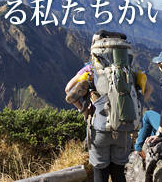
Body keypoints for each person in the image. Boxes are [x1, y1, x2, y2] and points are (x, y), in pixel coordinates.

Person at [64, 31, 153, 182]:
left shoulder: (90, 69)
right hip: (124, 127)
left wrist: (84, 110)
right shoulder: (129, 69)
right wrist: (137, 105)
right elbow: (149, 89)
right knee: (119, 174)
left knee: (100, 175)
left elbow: (68, 90)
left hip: (99, 128)